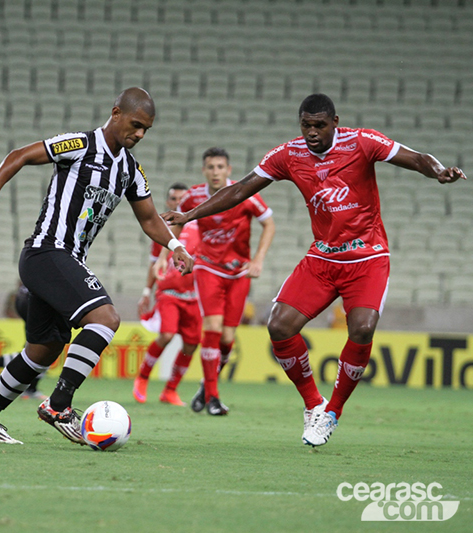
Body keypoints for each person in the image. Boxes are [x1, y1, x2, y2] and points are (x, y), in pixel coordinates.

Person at [162, 93, 466, 446]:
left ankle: (332, 412)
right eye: (305, 125)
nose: (311, 132)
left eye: (319, 125)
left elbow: (414, 158)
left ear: (335, 122)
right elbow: (242, 188)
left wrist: (439, 171)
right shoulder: (288, 155)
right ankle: (313, 404)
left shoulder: (362, 142)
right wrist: (189, 214)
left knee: (363, 328)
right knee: (279, 326)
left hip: (367, 257)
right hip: (322, 258)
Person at [0, 87, 194, 445]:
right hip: (47, 252)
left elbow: (149, 218)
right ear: (115, 113)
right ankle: (58, 405)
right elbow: (20, 155)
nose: (140, 134)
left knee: (44, 349)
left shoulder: (131, 169)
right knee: (106, 319)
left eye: (146, 129)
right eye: (135, 124)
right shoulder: (80, 144)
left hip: (64, 260)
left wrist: (175, 245)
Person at [160, 147, 275, 416]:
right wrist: (174, 251)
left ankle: (205, 386)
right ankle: (213, 397)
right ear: (204, 170)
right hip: (208, 268)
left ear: (229, 170)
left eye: (220, 167)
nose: (215, 172)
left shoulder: (244, 193)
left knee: (227, 339)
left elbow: (269, 223)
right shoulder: (193, 197)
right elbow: (176, 223)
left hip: (238, 274)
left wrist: (257, 260)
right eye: (210, 167)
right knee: (212, 327)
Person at [133, 183, 202, 407]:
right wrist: (146, 292)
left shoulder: (201, 226)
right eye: (174, 199)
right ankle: (142, 378)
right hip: (169, 292)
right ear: (168, 203)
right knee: (167, 334)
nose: (178, 203)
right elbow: (155, 265)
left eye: (182, 199)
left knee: (192, 344)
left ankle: (170, 390)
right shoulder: (162, 231)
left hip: (195, 295)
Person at [0, 280, 46, 399]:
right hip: (38, 299)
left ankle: (31, 389)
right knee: (45, 347)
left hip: (28, 296)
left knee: (44, 346)